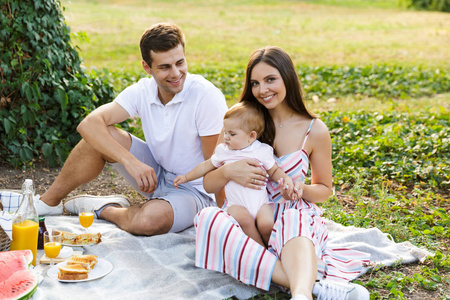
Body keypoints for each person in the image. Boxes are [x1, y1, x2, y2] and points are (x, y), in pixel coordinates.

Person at [193, 46, 371, 300]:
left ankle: (300, 294)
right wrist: (230, 171)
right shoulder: (239, 121)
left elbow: (323, 191)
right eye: (255, 82)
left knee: (292, 218)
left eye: (270, 79)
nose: (262, 89)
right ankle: (314, 286)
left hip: (293, 217)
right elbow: (210, 184)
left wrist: (301, 188)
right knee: (208, 219)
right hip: (249, 219)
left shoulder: (314, 130)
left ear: (287, 77)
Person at [33, 22, 228, 235]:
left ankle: (104, 209)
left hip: (196, 191)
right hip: (157, 173)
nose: (176, 73)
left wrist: (224, 215)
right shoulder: (143, 90)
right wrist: (130, 162)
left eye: (180, 63)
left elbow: (217, 164)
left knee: (147, 222)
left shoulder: (205, 96)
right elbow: (88, 124)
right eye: (164, 67)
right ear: (147, 67)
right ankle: (48, 203)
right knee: (99, 134)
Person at [174, 101, 299, 246]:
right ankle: (261, 252)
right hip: (236, 204)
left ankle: (273, 248)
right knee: (245, 222)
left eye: (232, 134)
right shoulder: (224, 151)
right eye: (225, 132)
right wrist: (186, 177)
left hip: (260, 203)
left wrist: (286, 180)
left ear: (251, 136)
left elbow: (274, 171)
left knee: (266, 224)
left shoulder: (261, 151)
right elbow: (206, 166)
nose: (226, 137)